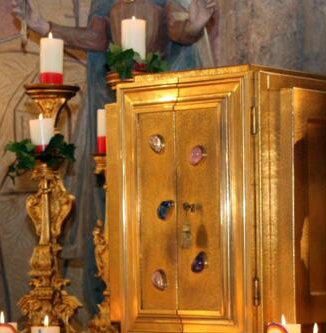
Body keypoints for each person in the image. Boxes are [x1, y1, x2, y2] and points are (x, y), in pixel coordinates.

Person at [12, 0, 217, 315]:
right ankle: (111, 307)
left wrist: (194, 24)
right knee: (111, 208)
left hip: (158, 110)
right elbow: (96, 39)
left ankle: (160, 298)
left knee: (160, 206)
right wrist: (44, 26)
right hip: (117, 107)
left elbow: (176, 30)